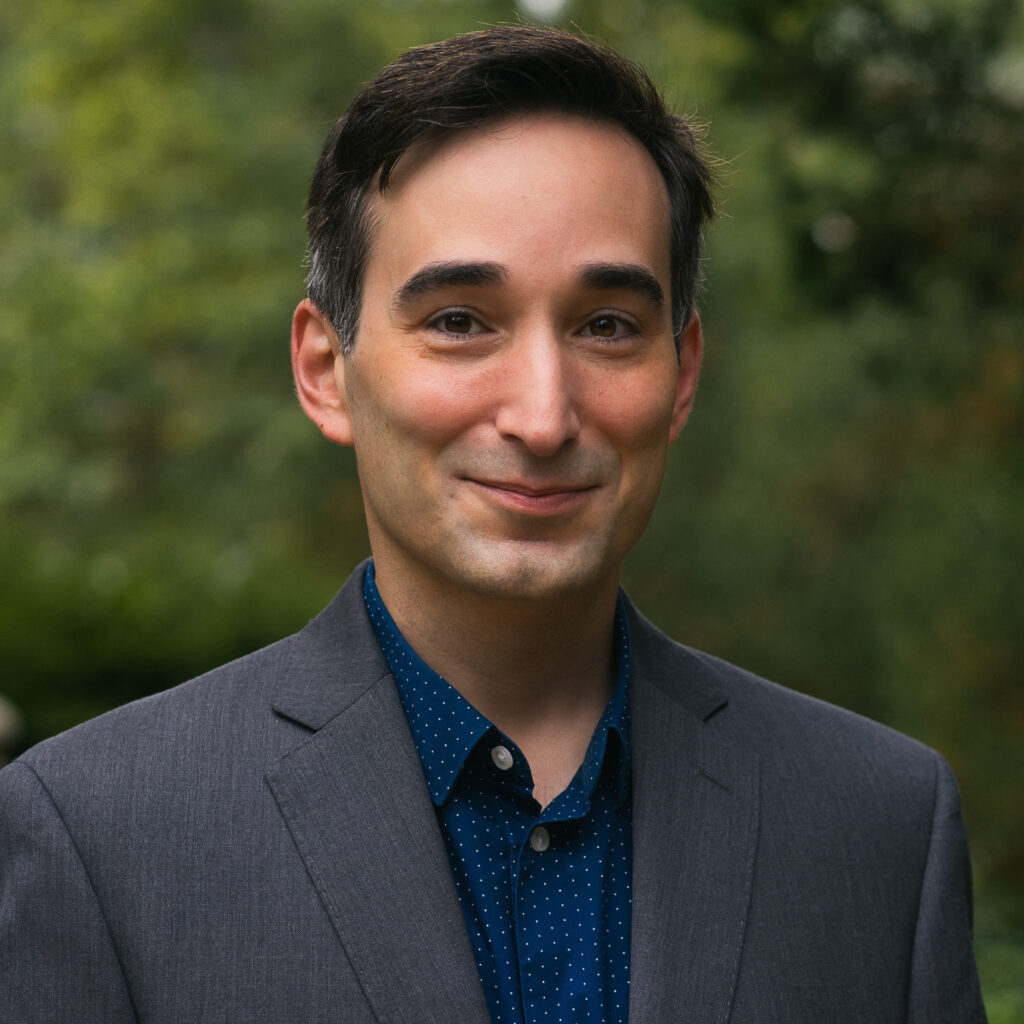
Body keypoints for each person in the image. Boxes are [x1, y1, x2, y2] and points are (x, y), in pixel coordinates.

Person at [0, 25, 986, 1024]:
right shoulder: (96, 837)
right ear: (323, 370)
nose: (543, 415)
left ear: (680, 376)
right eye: (460, 321)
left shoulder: (879, 828)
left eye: (606, 325)